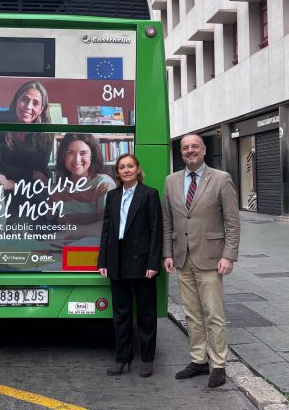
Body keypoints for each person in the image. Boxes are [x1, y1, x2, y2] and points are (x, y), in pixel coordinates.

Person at [161, 134, 240, 388]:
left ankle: (218, 364)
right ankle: (198, 360)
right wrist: (168, 253)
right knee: (192, 314)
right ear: (181, 153)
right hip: (182, 258)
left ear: (204, 150)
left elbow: (232, 221)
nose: (190, 151)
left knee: (213, 314)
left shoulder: (221, 179)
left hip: (211, 257)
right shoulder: (171, 181)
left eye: (195, 146)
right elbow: (167, 222)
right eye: (185, 148)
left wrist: (228, 255)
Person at [98, 153, 162, 378]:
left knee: (146, 313)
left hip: (143, 262)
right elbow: (106, 230)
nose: (126, 170)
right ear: (117, 172)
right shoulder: (113, 196)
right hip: (117, 260)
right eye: (122, 167)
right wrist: (103, 260)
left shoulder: (149, 194)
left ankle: (147, 359)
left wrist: (154, 263)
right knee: (121, 314)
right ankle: (122, 358)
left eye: (130, 166)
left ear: (137, 169)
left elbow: (156, 231)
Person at [0, 81, 54, 195]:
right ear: (17, 100)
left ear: (41, 110)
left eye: (35, 103)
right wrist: (32, 174)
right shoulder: (0, 118)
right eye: (25, 100)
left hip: (29, 192)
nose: (28, 107)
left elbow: (40, 179)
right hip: (0, 189)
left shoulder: (46, 132)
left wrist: (11, 184)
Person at [51, 133, 115, 237]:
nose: (77, 160)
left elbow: (109, 226)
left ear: (92, 155)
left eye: (83, 153)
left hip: (94, 251)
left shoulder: (103, 184)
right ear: (63, 156)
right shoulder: (56, 188)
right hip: (61, 249)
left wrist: (71, 233)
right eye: (70, 153)